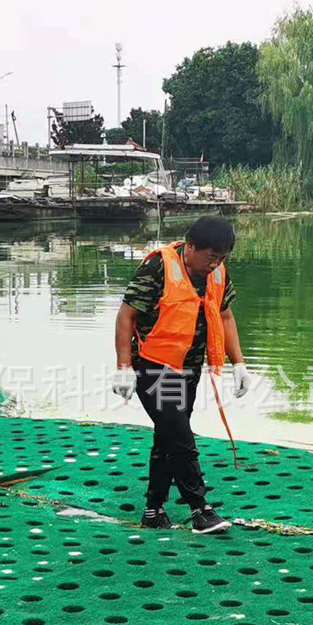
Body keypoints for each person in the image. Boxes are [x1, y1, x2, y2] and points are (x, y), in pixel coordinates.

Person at [112, 216, 250, 534]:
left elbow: (226, 316)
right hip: (153, 366)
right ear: (190, 246)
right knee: (181, 437)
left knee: (168, 437)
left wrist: (239, 363)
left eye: (222, 258)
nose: (215, 264)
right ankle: (200, 509)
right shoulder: (158, 267)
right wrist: (123, 367)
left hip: (189, 367)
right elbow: (126, 315)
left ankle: (153, 510)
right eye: (210, 257)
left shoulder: (218, 274)